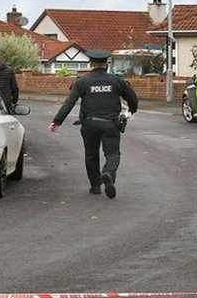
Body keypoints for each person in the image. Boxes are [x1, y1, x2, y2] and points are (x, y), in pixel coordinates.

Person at [48, 49, 139, 199]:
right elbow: (133, 99)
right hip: (111, 124)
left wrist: (57, 121)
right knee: (112, 154)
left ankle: (95, 186)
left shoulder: (82, 82)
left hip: (89, 124)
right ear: (107, 64)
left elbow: (69, 102)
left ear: (91, 64)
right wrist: (131, 111)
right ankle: (108, 173)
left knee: (91, 155)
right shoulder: (117, 81)